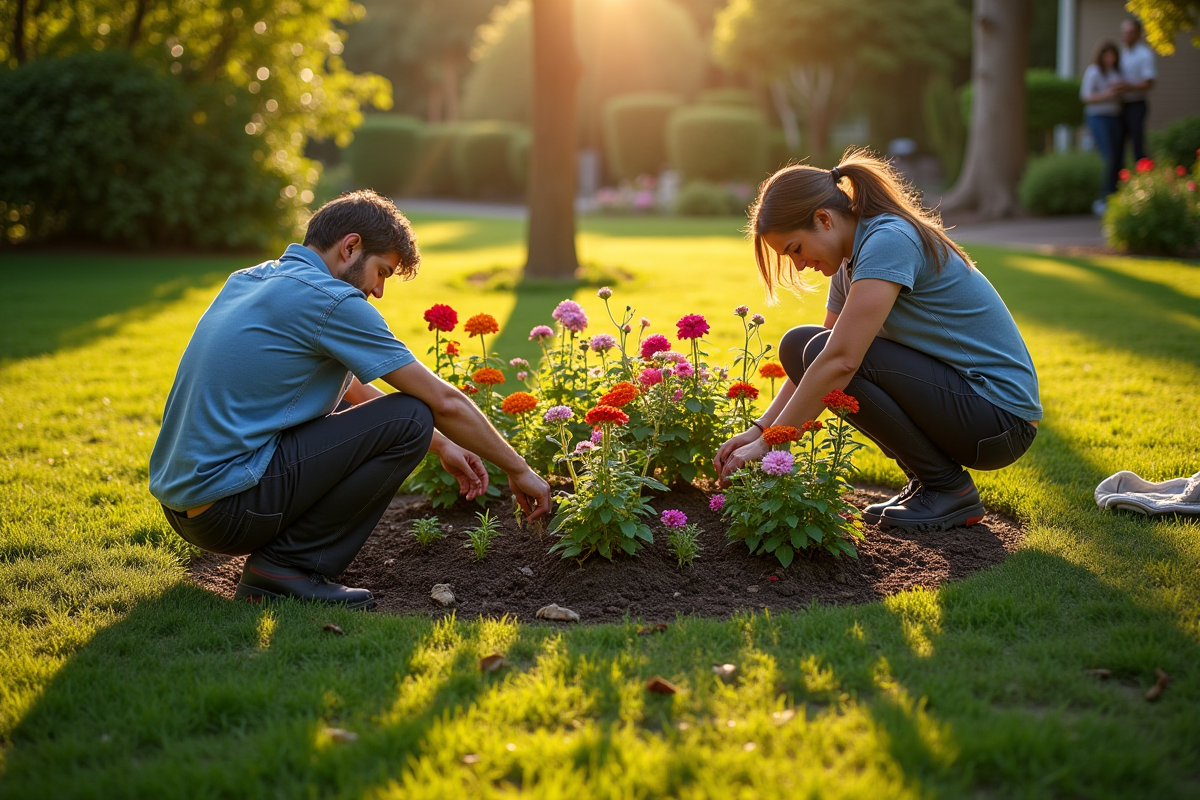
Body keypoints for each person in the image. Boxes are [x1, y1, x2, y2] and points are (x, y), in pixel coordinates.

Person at [149, 190, 552, 609]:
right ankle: (284, 568)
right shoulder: (331, 301)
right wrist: (518, 468)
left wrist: (445, 445)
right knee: (413, 415)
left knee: (408, 420)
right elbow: (443, 402)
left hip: (185, 507)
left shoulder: (251, 278)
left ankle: (281, 564)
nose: (378, 291)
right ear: (351, 247)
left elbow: (352, 389)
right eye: (382, 272)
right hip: (230, 512)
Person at [713, 150, 1042, 532]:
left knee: (828, 353)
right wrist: (758, 429)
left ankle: (948, 489)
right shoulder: (850, 259)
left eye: (796, 250)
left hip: (999, 420)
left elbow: (840, 361)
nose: (799, 265)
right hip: (973, 409)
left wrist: (770, 443)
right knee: (799, 345)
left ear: (823, 219)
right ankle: (928, 482)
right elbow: (815, 362)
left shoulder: (889, 240)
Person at [1080, 40, 1127, 216]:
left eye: (1113, 54)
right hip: (1098, 117)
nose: (1110, 58)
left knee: (1118, 157)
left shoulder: (1117, 73)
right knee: (1108, 156)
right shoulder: (1093, 72)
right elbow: (1085, 97)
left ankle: (1117, 195)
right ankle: (1103, 197)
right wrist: (1106, 94)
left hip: (1116, 117)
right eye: (1106, 54)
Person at [1118, 17, 1156, 165]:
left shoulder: (1144, 54)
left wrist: (1128, 86)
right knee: (1118, 145)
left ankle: (1142, 179)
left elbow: (1149, 82)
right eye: (1125, 32)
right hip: (1120, 105)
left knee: (1137, 143)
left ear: (1138, 33)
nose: (1127, 35)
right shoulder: (1121, 53)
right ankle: (1117, 183)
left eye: (1131, 32)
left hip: (1136, 104)